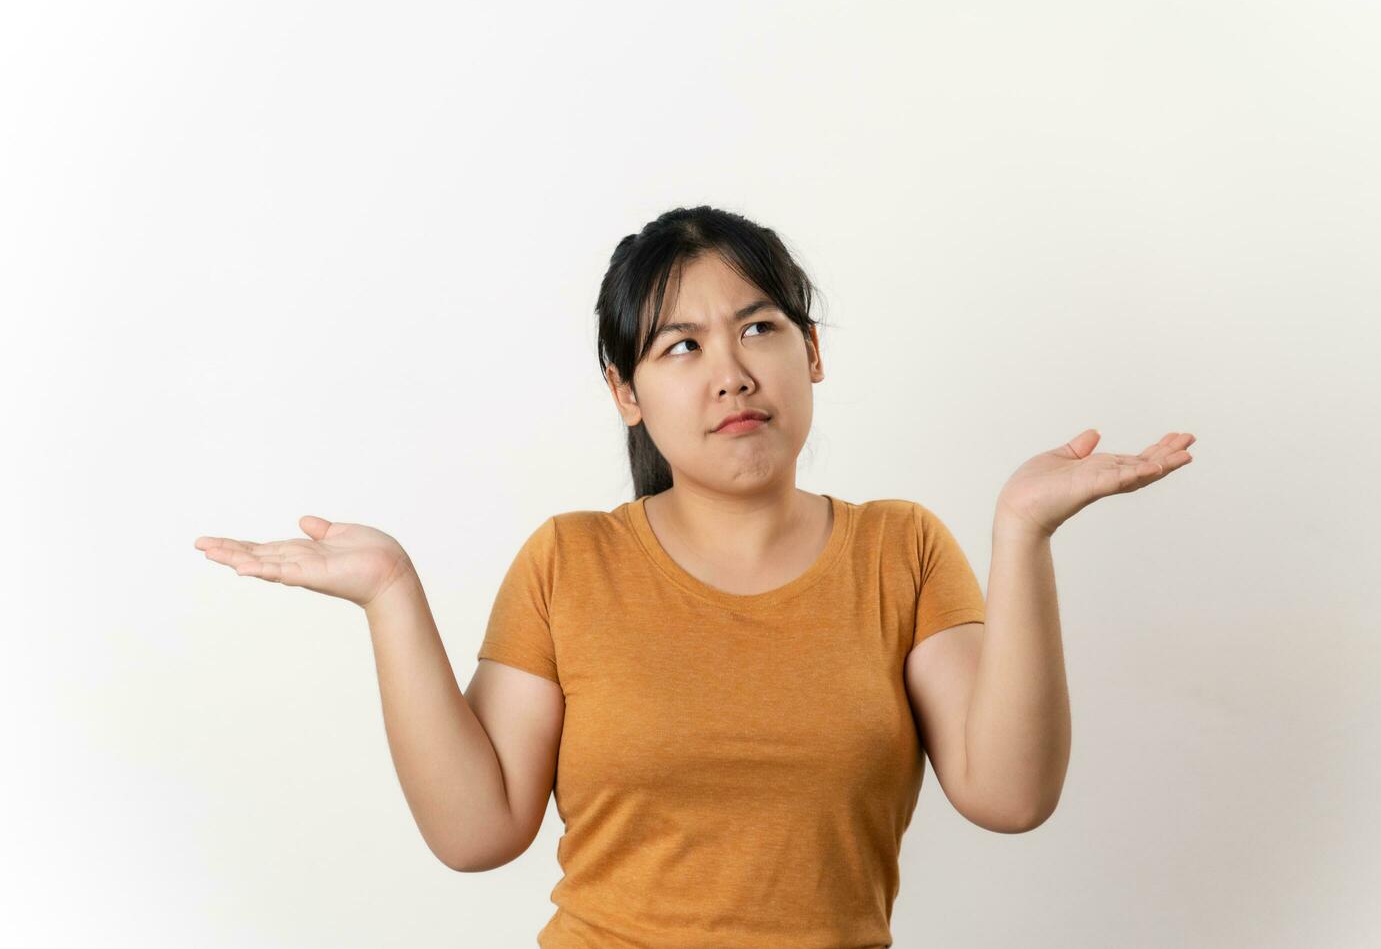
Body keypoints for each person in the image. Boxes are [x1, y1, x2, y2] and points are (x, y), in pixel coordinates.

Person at [194, 204, 1195, 947]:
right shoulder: (568, 560)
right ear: (626, 393)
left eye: (759, 328)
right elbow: (476, 828)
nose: (732, 370)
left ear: (810, 351)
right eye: (682, 345)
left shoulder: (905, 550)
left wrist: (1022, 533)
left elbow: (1010, 793)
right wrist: (390, 593)